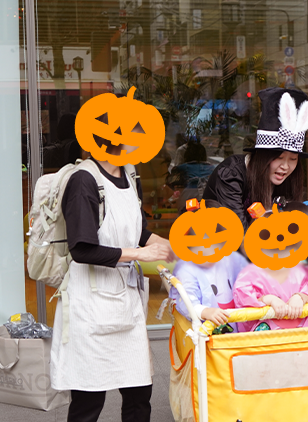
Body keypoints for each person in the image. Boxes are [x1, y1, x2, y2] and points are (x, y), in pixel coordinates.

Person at [51, 150, 175, 421]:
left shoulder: (130, 173)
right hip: (90, 303)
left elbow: (139, 232)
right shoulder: (83, 180)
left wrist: (171, 247)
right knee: (89, 399)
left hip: (126, 300)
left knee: (139, 392)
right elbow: (82, 249)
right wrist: (139, 254)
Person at [202, 88, 308, 233]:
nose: (285, 166)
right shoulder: (231, 174)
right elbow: (237, 232)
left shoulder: (287, 181)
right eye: (279, 157)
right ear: (263, 156)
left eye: (293, 159)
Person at [233, 202, 308, 332]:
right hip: (268, 335)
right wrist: (268, 300)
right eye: (266, 236)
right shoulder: (251, 273)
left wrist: (301, 296)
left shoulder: (302, 269)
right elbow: (242, 295)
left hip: (302, 331)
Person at [169, 200, 248, 329]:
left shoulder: (232, 258)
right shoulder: (186, 269)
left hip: (240, 329)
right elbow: (185, 299)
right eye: (197, 234)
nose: (207, 242)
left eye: (216, 231)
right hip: (206, 332)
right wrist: (205, 311)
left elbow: (251, 281)